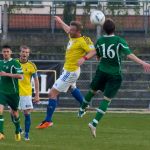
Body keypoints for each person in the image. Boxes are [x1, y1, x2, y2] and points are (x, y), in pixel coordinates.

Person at [78, 18, 150, 138]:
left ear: (104, 30)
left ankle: (81, 109)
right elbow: (129, 54)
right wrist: (142, 63)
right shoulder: (119, 41)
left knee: (92, 91)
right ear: (114, 29)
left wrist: (84, 58)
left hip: (101, 72)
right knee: (106, 100)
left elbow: (95, 52)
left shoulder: (100, 40)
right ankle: (94, 123)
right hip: (114, 75)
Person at [36, 16, 96, 129]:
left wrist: (84, 58)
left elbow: (93, 51)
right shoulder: (72, 35)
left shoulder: (84, 40)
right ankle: (85, 104)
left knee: (52, 93)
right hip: (68, 69)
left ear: (78, 31)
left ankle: (48, 121)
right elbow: (67, 28)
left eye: (72, 30)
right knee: (71, 88)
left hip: (71, 71)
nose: (70, 31)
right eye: (70, 29)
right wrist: (60, 21)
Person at [0, 45, 23, 141]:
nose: (5, 53)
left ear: (11, 52)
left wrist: (6, 74)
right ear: (2, 53)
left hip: (13, 92)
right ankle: (1, 133)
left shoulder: (15, 63)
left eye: (7, 51)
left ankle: (17, 130)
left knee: (15, 113)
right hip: (2, 91)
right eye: (4, 51)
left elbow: (21, 76)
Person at [16, 45, 39, 140]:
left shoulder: (31, 65)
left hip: (26, 93)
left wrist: (37, 94)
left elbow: (36, 80)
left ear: (28, 54)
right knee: (13, 113)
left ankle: (26, 134)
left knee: (27, 113)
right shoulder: (14, 63)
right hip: (14, 92)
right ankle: (19, 128)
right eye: (23, 52)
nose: (24, 54)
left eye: (26, 52)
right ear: (20, 53)